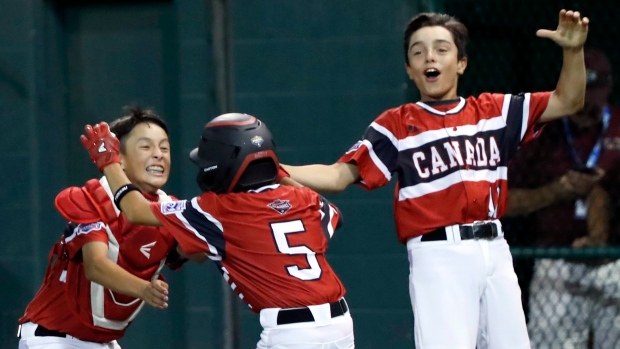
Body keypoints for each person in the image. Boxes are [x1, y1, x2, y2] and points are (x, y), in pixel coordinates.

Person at [279, 9, 590, 349]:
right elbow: (339, 175)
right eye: (418, 51)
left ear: (461, 63)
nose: (430, 56)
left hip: (495, 249)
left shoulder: (494, 111)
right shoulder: (397, 124)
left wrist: (572, 51)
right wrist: (274, 170)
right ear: (410, 70)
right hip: (440, 255)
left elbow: (568, 101)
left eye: (442, 48)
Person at [79, 113, 355, 349]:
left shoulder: (218, 208)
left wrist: (109, 162)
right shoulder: (302, 199)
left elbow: (135, 210)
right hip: (340, 325)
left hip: (292, 334)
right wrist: (276, 171)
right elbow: (333, 215)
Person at [18, 107, 188, 349]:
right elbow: (96, 266)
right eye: (146, 147)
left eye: (164, 147)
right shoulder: (92, 198)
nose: (158, 155)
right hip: (52, 338)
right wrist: (144, 289)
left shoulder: (169, 208)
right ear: (120, 159)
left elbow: (196, 251)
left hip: (103, 343)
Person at [505, 48, 620, 348]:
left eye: (592, 101)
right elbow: (501, 201)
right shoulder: (542, 133)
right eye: (579, 100)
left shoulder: (618, 126)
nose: (585, 110)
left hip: (613, 260)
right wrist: (556, 191)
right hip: (556, 259)